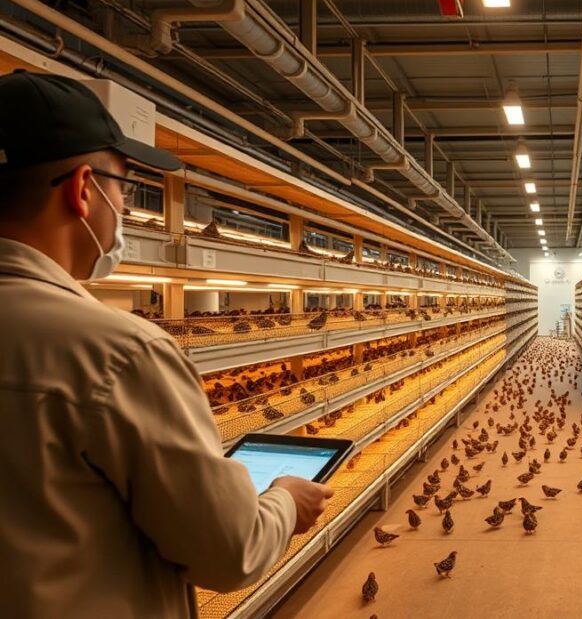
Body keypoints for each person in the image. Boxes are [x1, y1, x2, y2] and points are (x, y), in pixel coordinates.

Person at [0, 70, 333, 618]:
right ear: (84, 190)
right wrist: (282, 502)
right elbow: (231, 552)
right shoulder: (118, 353)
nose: (125, 208)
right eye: (125, 187)